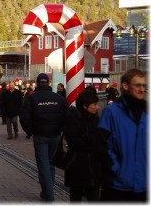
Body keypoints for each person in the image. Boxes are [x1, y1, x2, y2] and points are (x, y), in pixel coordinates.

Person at [98, 69, 147, 202]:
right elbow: (102, 145)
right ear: (126, 86)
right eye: (138, 85)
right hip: (117, 186)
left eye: (144, 86)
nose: (142, 89)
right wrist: (115, 169)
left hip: (144, 186)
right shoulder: (112, 112)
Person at [21, 73, 69, 202]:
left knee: (43, 165)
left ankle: (48, 194)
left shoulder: (32, 98)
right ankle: (48, 190)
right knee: (51, 163)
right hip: (55, 135)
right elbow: (67, 115)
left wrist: (30, 131)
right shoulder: (58, 98)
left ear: (37, 83)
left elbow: (24, 117)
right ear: (48, 83)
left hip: (40, 135)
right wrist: (61, 130)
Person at [63, 90, 114, 202]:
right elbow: (75, 141)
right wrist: (92, 141)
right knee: (76, 196)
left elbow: (101, 139)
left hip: (94, 166)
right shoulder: (73, 118)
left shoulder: (95, 119)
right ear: (85, 106)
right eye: (94, 104)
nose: (97, 107)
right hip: (77, 165)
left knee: (94, 196)